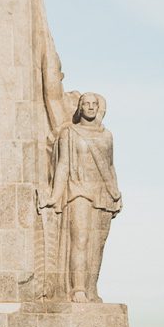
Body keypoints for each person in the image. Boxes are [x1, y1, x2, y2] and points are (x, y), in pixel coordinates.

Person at [40, 92, 121, 302]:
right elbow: (63, 165)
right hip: (78, 191)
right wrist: (55, 195)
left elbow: (110, 166)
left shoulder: (107, 135)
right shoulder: (70, 133)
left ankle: (91, 288)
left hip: (102, 193)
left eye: (95, 104)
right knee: (81, 239)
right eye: (86, 104)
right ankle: (78, 289)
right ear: (80, 107)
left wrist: (116, 193)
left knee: (97, 245)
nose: (91, 107)